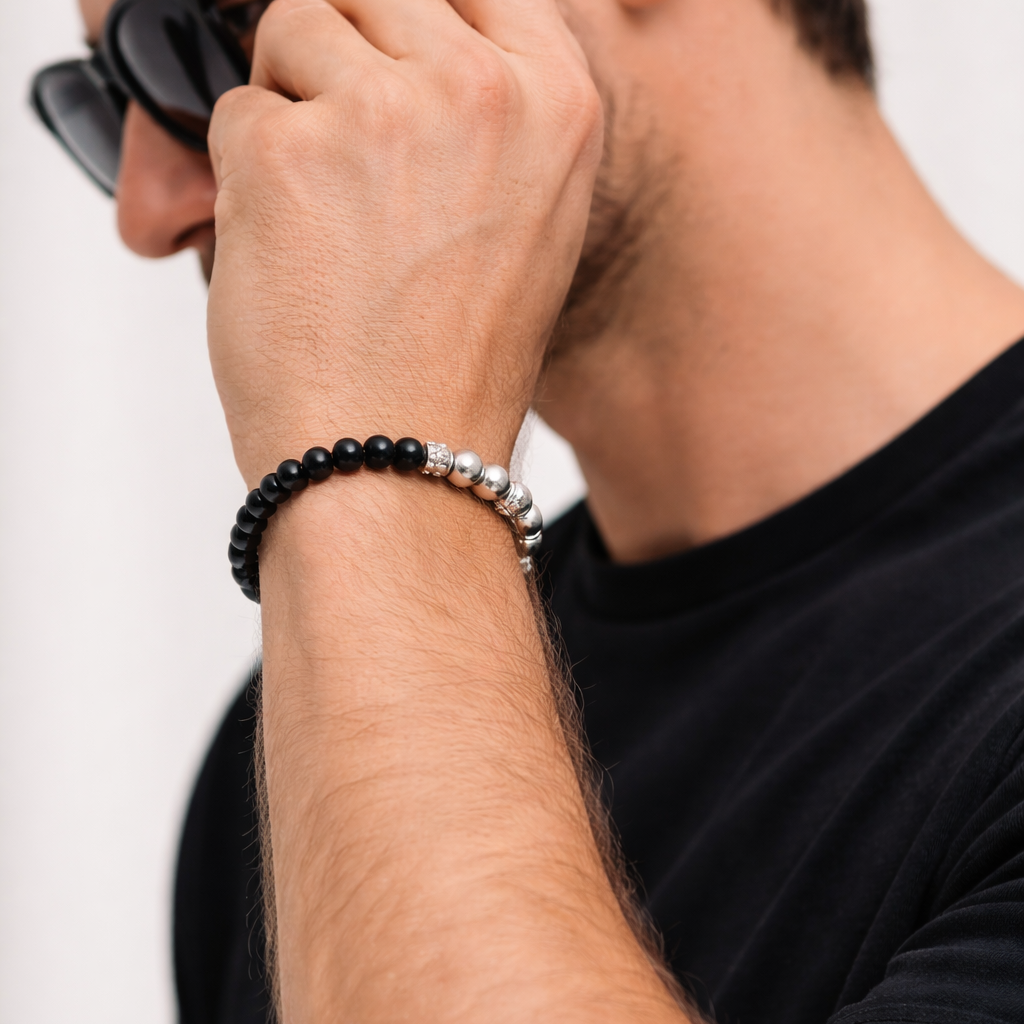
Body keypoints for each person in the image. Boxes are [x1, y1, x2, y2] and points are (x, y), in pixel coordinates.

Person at [33, 0, 1024, 1022]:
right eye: (104, 99)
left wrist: (368, 454)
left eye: (197, 35)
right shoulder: (304, 736)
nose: (146, 208)